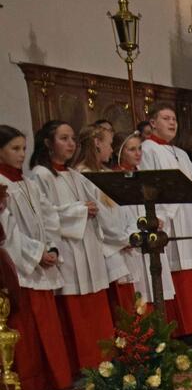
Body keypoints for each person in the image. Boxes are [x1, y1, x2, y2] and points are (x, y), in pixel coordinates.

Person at [29, 120, 114, 372]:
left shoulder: (76, 174)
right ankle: (84, 365)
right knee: (76, 311)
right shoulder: (40, 175)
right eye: (63, 138)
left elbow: (94, 203)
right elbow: (43, 216)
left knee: (95, 306)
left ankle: (104, 362)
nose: (70, 144)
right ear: (47, 143)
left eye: (73, 138)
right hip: (68, 249)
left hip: (88, 245)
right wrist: (79, 210)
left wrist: (92, 209)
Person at [0, 125, 72, 390]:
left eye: (23, 149)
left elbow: (50, 217)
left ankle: (56, 381)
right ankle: (32, 386)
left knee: (49, 329)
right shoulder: (1, 185)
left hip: (41, 263)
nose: (21, 155)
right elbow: (6, 232)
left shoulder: (27, 183)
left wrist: (51, 247)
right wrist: (36, 254)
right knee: (27, 331)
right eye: (14, 149)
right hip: (20, 269)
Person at [139, 104, 192, 345]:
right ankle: (182, 329)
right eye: (166, 118)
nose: (172, 122)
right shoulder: (148, 150)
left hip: (189, 215)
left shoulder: (180, 152)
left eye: (174, 119)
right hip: (170, 218)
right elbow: (151, 185)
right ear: (152, 123)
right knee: (178, 273)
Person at [72, 124, 135, 316]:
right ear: (97, 143)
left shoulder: (107, 174)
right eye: (109, 143)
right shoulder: (81, 175)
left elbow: (125, 211)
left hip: (122, 244)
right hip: (105, 249)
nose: (112, 149)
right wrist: (123, 239)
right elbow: (100, 216)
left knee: (131, 304)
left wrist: (130, 233)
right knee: (117, 309)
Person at [110, 131, 176, 310]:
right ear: (119, 152)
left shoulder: (146, 176)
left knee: (156, 289)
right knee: (139, 296)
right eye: (132, 149)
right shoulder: (114, 179)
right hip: (132, 243)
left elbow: (159, 204)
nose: (138, 153)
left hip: (151, 240)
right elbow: (116, 215)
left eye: (139, 148)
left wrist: (158, 219)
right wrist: (132, 234)